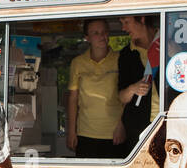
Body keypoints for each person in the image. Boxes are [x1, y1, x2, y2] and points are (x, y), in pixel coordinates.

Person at [66, 19, 125, 159]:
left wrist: (122, 126)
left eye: (104, 32)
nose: (101, 36)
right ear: (87, 38)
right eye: (96, 33)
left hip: (115, 133)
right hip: (85, 133)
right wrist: (71, 132)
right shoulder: (78, 63)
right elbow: (73, 99)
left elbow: (128, 97)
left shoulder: (121, 59)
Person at [116, 14, 159, 150]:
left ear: (142, 18)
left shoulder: (167, 41)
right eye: (122, 23)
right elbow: (121, 97)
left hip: (170, 121)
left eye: (126, 22)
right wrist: (132, 89)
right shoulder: (126, 54)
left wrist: (176, 52)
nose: (123, 28)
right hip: (138, 127)